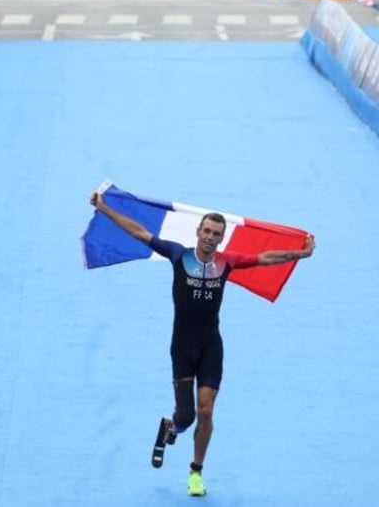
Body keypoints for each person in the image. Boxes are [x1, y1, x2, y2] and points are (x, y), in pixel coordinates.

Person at [89, 190, 315, 497]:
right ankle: (170, 427)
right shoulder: (177, 254)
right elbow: (139, 231)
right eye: (206, 231)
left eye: (216, 234)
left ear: (221, 239)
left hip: (211, 346)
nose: (210, 237)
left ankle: (195, 473)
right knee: (187, 416)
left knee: (206, 411)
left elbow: (264, 258)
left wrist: (299, 254)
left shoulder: (227, 262)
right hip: (182, 348)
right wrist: (104, 208)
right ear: (198, 232)